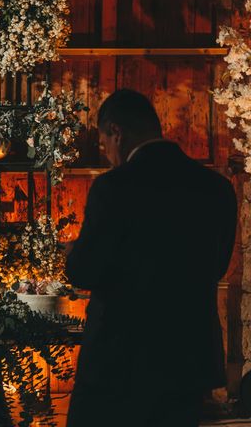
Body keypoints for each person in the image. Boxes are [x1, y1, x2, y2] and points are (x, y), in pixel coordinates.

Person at [65, 89, 237, 427]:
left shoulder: (113, 188)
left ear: (116, 131)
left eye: (104, 144)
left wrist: (73, 253)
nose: (108, 155)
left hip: (120, 361)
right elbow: (217, 267)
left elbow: (85, 271)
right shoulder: (216, 189)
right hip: (186, 362)